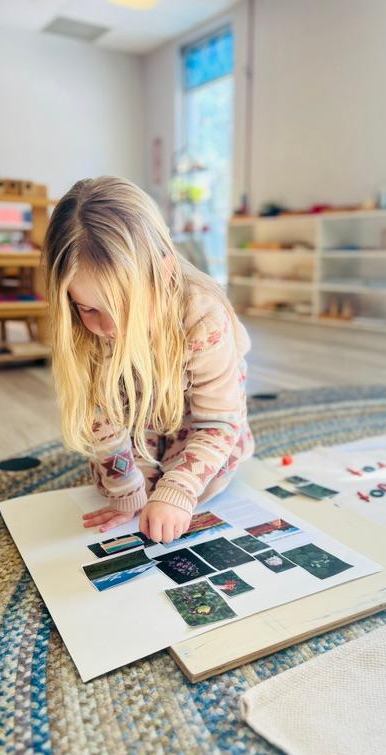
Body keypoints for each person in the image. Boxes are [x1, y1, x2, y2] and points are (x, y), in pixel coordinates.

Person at [42, 176, 254, 544]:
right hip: (142, 419)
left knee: (193, 485)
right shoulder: (83, 330)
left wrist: (178, 490)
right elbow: (100, 417)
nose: (110, 328)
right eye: (89, 308)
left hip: (201, 420)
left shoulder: (203, 317)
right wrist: (126, 490)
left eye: (125, 308)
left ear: (165, 272)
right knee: (125, 485)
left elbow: (219, 421)